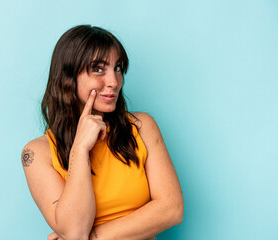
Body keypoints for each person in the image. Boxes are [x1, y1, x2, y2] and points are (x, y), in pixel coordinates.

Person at [21, 25, 184, 240]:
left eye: (117, 68)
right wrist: (80, 149)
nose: (114, 82)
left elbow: (171, 210)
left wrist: (92, 238)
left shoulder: (141, 127)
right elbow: (74, 231)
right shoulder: (36, 153)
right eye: (98, 69)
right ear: (68, 77)